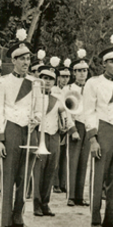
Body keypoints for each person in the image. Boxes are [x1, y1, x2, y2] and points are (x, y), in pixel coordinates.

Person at [0, 29, 41, 227]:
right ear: (14, 61)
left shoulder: (35, 83)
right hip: (10, 129)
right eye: (21, 59)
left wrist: (35, 120)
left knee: (24, 177)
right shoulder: (2, 82)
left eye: (28, 58)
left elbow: (39, 109)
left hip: (28, 131)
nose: (26, 62)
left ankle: (18, 219)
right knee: (8, 177)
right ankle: (5, 221)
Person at [81, 34, 113, 227]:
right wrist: (93, 138)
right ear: (104, 64)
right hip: (102, 130)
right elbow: (88, 111)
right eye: (112, 62)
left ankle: (112, 218)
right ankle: (95, 217)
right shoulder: (93, 83)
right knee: (98, 176)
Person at [33, 65, 77, 216]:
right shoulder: (34, 97)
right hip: (40, 134)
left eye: (51, 79)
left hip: (54, 136)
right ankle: (36, 203)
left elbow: (67, 116)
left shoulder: (58, 99)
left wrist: (69, 128)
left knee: (51, 170)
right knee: (38, 171)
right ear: (40, 79)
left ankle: (45, 203)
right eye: (45, 78)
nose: (48, 82)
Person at [63, 50, 91, 207]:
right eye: (79, 71)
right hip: (75, 126)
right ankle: (71, 195)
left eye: (85, 70)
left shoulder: (90, 88)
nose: (82, 73)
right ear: (74, 72)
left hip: (87, 126)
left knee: (83, 161)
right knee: (72, 161)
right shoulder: (68, 89)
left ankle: (80, 195)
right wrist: (72, 129)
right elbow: (66, 111)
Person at [54, 59, 72, 195]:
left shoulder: (70, 90)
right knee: (56, 154)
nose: (65, 79)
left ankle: (63, 182)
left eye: (67, 77)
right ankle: (55, 183)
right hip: (56, 122)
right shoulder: (53, 90)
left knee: (65, 155)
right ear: (58, 77)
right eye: (62, 77)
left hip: (67, 122)